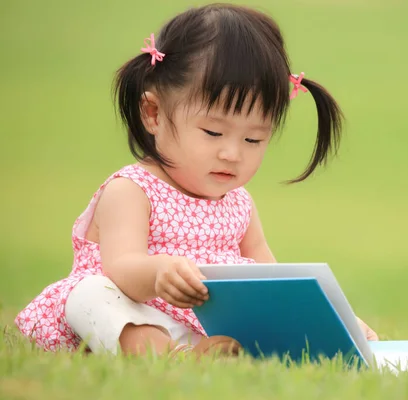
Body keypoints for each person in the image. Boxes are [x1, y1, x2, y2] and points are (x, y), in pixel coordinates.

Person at [14, 3, 378, 360]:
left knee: (251, 325)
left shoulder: (239, 203)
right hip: (134, 315)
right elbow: (121, 268)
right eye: (213, 132)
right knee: (91, 294)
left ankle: (204, 351)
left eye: (253, 139)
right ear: (153, 113)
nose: (233, 153)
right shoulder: (132, 190)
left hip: (204, 326)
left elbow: (274, 282)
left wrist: (339, 322)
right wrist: (159, 274)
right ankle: (164, 356)